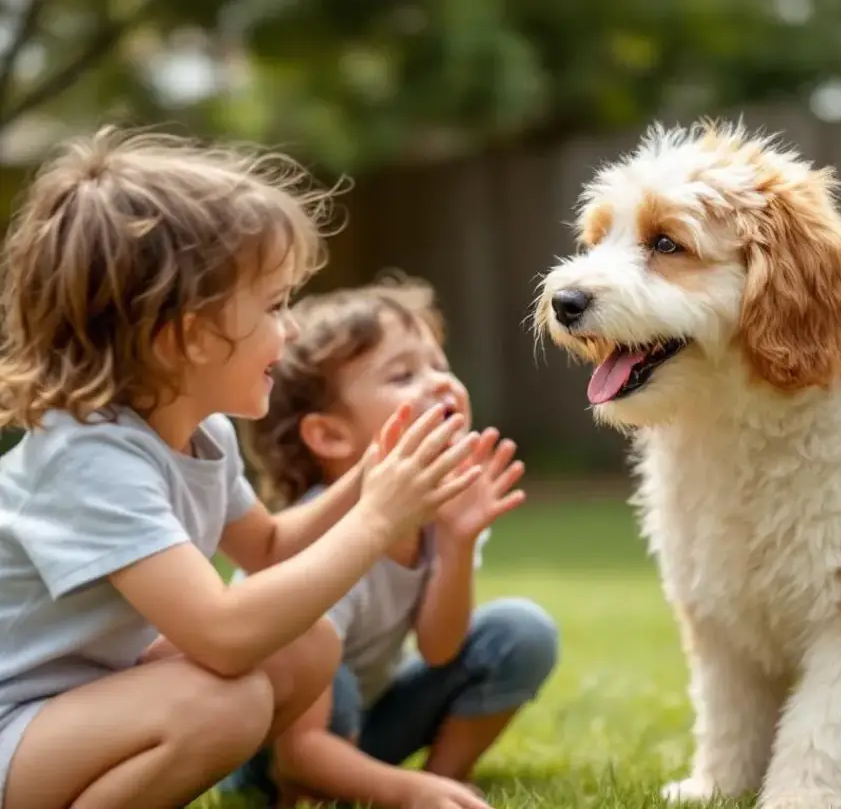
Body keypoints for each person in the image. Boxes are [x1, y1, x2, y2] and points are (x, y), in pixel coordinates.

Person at [0, 127, 485, 809]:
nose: (289, 332)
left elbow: (267, 547)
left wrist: (374, 473)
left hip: (86, 708)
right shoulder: (88, 456)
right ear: (187, 336)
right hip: (16, 728)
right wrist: (379, 519)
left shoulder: (203, 435)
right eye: (276, 305)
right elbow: (223, 637)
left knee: (305, 649)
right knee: (219, 704)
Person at [219, 277, 560, 808]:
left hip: (367, 724)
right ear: (329, 436)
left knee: (521, 630)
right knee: (337, 682)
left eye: (439, 366)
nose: (439, 384)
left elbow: (438, 649)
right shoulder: (318, 541)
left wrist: (456, 542)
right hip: (277, 747)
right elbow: (302, 743)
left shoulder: (439, 508)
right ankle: (349, 792)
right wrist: (401, 793)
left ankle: (447, 783)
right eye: (402, 375)